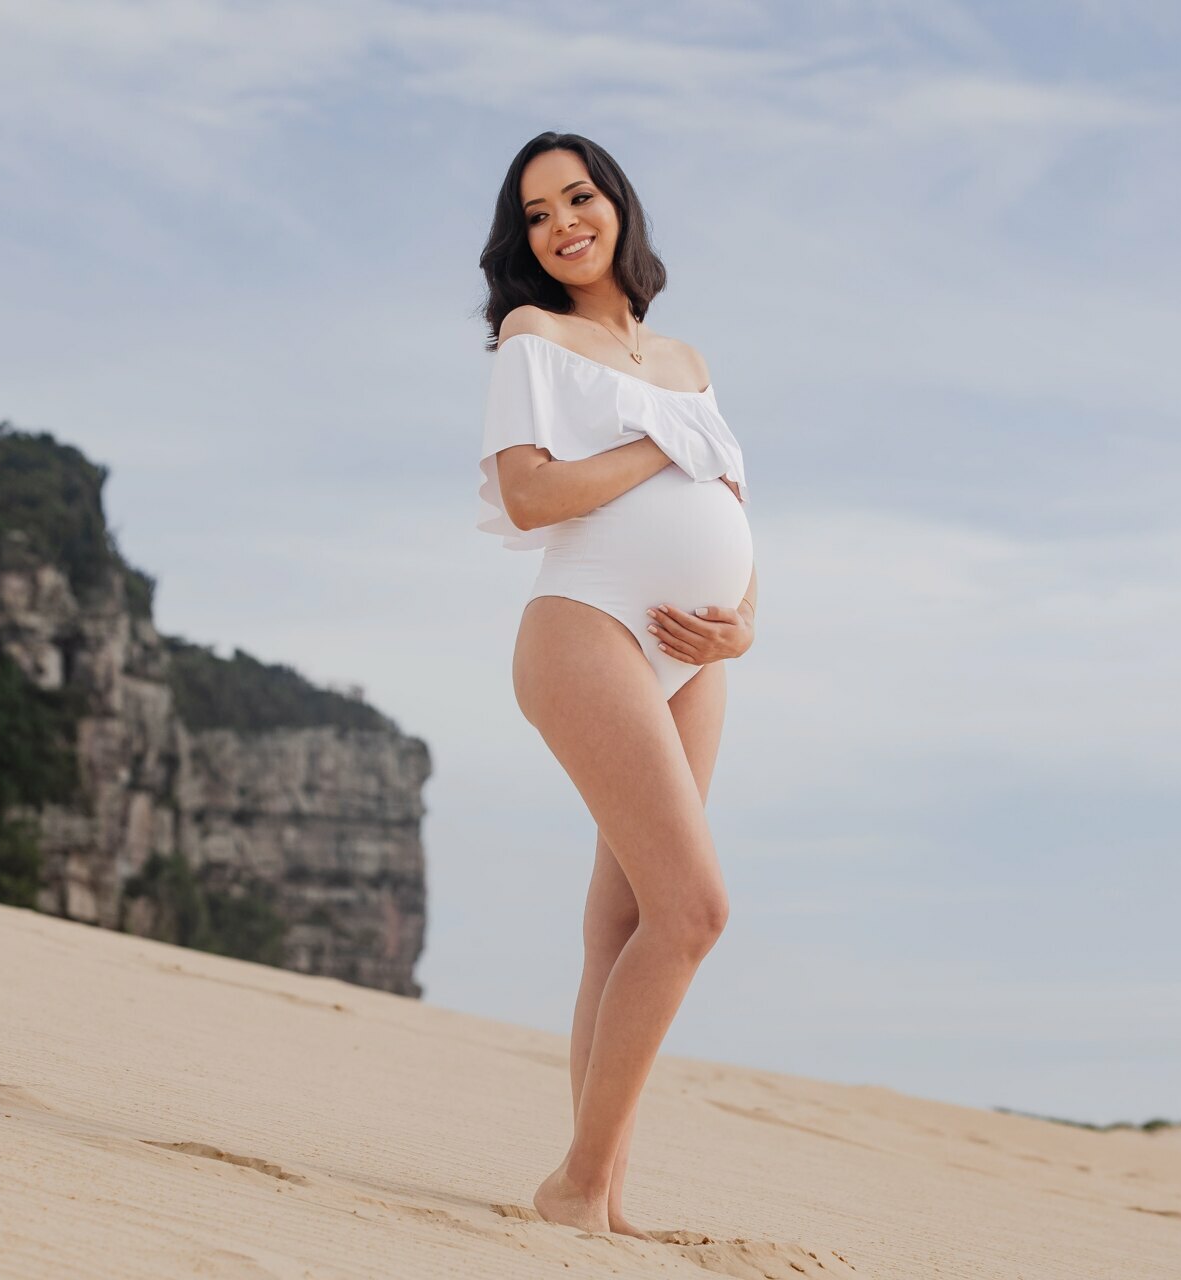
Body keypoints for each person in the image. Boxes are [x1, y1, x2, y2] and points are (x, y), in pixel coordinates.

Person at [473, 131, 759, 1239]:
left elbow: (737, 505)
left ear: (618, 205)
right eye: (537, 214)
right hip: (586, 625)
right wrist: (657, 444)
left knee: (627, 916)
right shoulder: (530, 335)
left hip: (695, 656)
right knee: (696, 909)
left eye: (577, 197)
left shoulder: (689, 360)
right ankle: (574, 1182)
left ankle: (606, 1196)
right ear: (526, 244)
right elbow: (533, 494)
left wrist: (741, 627)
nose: (561, 224)